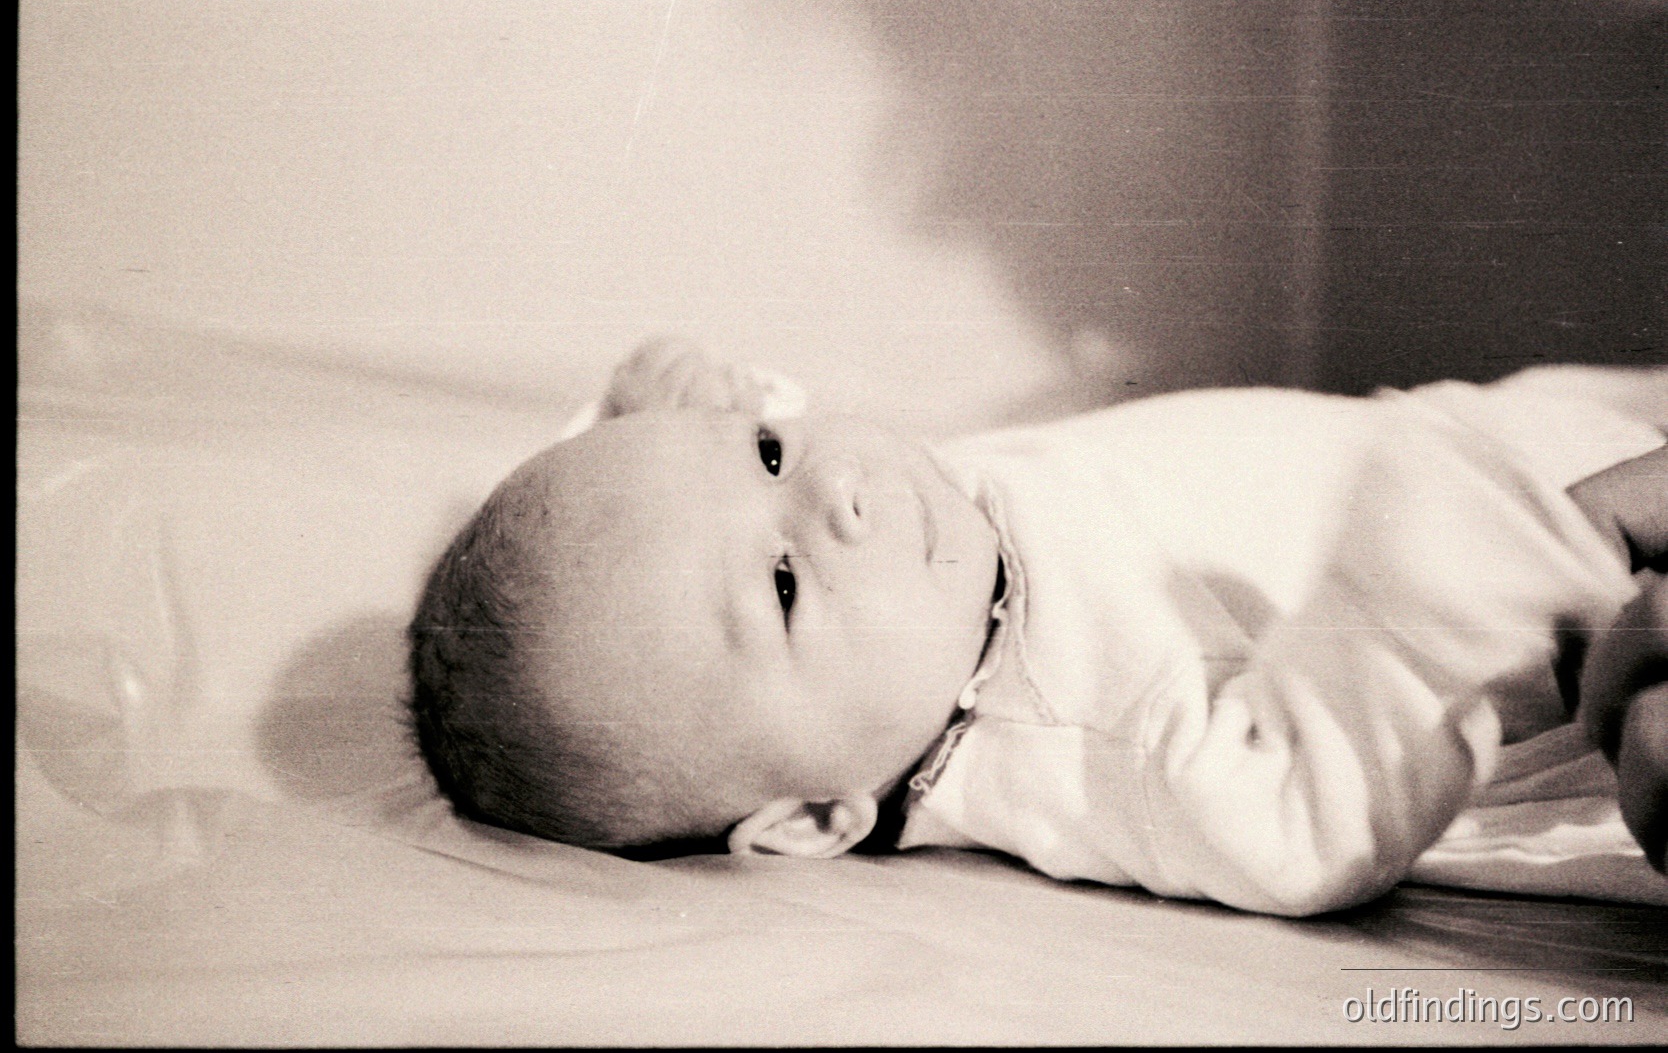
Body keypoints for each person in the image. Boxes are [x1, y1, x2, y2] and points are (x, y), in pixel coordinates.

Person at [408, 336, 1667, 915]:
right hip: (1566, 566)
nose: (837, 491)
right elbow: (1294, 822)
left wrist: (639, 418)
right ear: (813, 818)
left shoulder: (914, 560)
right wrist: (1451, 564)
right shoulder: (1087, 739)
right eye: (784, 587)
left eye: (772, 452)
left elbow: (651, 533)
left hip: (1529, 424)